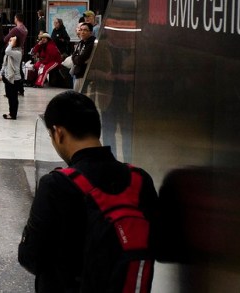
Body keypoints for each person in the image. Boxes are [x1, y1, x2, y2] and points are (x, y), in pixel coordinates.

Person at [18, 91, 158, 292]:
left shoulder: (56, 185)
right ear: (97, 128)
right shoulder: (140, 180)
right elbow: (157, 245)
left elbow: (30, 258)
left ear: (58, 133)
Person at [4, 13, 28, 96]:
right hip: (21, 50)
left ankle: (16, 88)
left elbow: (6, 39)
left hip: (13, 51)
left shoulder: (16, 29)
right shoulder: (25, 29)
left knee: (12, 69)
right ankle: (20, 89)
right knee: (19, 69)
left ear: (16, 19)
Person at [0, 36, 22, 120]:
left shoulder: (18, 52)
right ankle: (11, 111)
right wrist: (1, 72)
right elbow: (4, 63)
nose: (10, 42)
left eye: (12, 41)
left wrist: (12, 43)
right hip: (8, 77)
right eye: (9, 40)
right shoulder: (10, 51)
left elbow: (7, 51)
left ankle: (13, 114)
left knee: (13, 97)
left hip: (14, 78)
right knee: (9, 96)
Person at [71, 23, 95, 91]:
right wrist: (77, 59)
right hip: (78, 73)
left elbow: (82, 58)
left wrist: (77, 58)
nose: (82, 32)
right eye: (81, 30)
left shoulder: (92, 43)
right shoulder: (80, 42)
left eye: (85, 30)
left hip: (86, 74)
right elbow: (73, 56)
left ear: (90, 32)